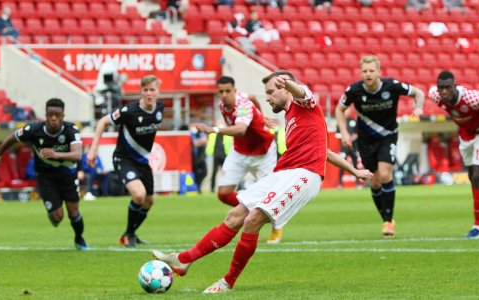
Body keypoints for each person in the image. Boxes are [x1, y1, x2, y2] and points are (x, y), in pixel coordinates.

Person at [151, 70, 372, 293]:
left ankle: (227, 282)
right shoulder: (291, 116)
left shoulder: (306, 105)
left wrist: (290, 85)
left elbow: (304, 93)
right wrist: (354, 171)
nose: (267, 98)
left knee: (252, 220)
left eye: (271, 92)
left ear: (285, 88)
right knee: (234, 216)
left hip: (304, 174)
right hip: (282, 173)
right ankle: (184, 259)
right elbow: (325, 151)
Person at [335, 55, 425, 239]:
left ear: (379, 72)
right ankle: (385, 217)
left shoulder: (392, 85)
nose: (368, 74)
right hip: (365, 140)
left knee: (385, 175)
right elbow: (339, 109)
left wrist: (419, 107)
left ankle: (388, 221)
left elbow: (419, 93)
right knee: (374, 181)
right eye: (364, 71)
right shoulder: (354, 90)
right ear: (361, 73)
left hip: (388, 136)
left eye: (371, 71)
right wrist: (344, 133)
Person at [193, 76, 285, 244]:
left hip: (263, 153)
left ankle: (276, 228)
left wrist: (214, 129)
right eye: (221, 91)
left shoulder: (242, 104)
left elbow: (242, 129)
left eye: (228, 91)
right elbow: (253, 97)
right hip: (240, 152)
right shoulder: (223, 105)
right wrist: (261, 117)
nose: (224, 94)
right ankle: (252, 201)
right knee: (223, 194)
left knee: (272, 196)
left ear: (234, 91)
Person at [0, 98, 89, 250]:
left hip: (67, 174)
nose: (54, 118)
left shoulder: (71, 130)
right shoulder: (34, 129)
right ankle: (53, 211)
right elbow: (12, 138)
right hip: (45, 175)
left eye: (57, 115)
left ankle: (79, 239)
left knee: (73, 212)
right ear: (46, 115)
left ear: (63, 116)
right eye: (50, 114)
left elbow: (77, 155)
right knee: (57, 217)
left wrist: (56, 154)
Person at [428, 70, 479, 239]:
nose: (444, 92)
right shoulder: (434, 95)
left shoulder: (473, 98)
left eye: (448, 88)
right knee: (471, 175)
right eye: (441, 88)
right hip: (466, 135)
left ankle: (478, 226)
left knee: (477, 176)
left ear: (455, 86)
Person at [87, 75, 164, 248]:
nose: (149, 93)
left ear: (158, 91)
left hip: (143, 161)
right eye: (145, 90)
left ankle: (131, 233)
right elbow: (102, 122)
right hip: (124, 158)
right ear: (141, 92)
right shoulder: (129, 111)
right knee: (139, 194)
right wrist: (93, 149)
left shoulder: (160, 108)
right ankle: (129, 235)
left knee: (149, 201)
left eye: (152, 89)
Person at [189, 125, 208, 193]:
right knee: (195, 172)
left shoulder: (200, 133)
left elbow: (205, 140)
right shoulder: (191, 134)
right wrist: (201, 141)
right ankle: (196, 188)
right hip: (195, 157)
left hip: (202, 156)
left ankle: (198, 185)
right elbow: (195, 144)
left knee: (205, 172)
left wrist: (199, 142)